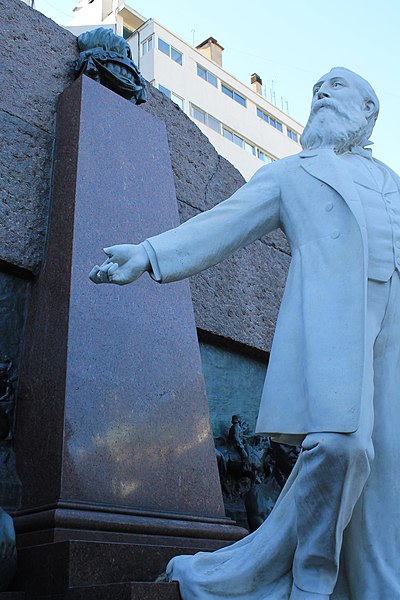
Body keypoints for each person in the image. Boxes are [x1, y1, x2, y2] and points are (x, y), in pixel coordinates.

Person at [89, 67, 400, 599]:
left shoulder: (392, 181)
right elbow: (223, 221)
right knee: (339, 448)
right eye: (316, 86)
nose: (321, 92)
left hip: (394, 329)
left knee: (386, 483)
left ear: (369, 111)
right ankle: (311, 580)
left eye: (336, 86)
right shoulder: (291, 174)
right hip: (334, 329)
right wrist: (148, 252)